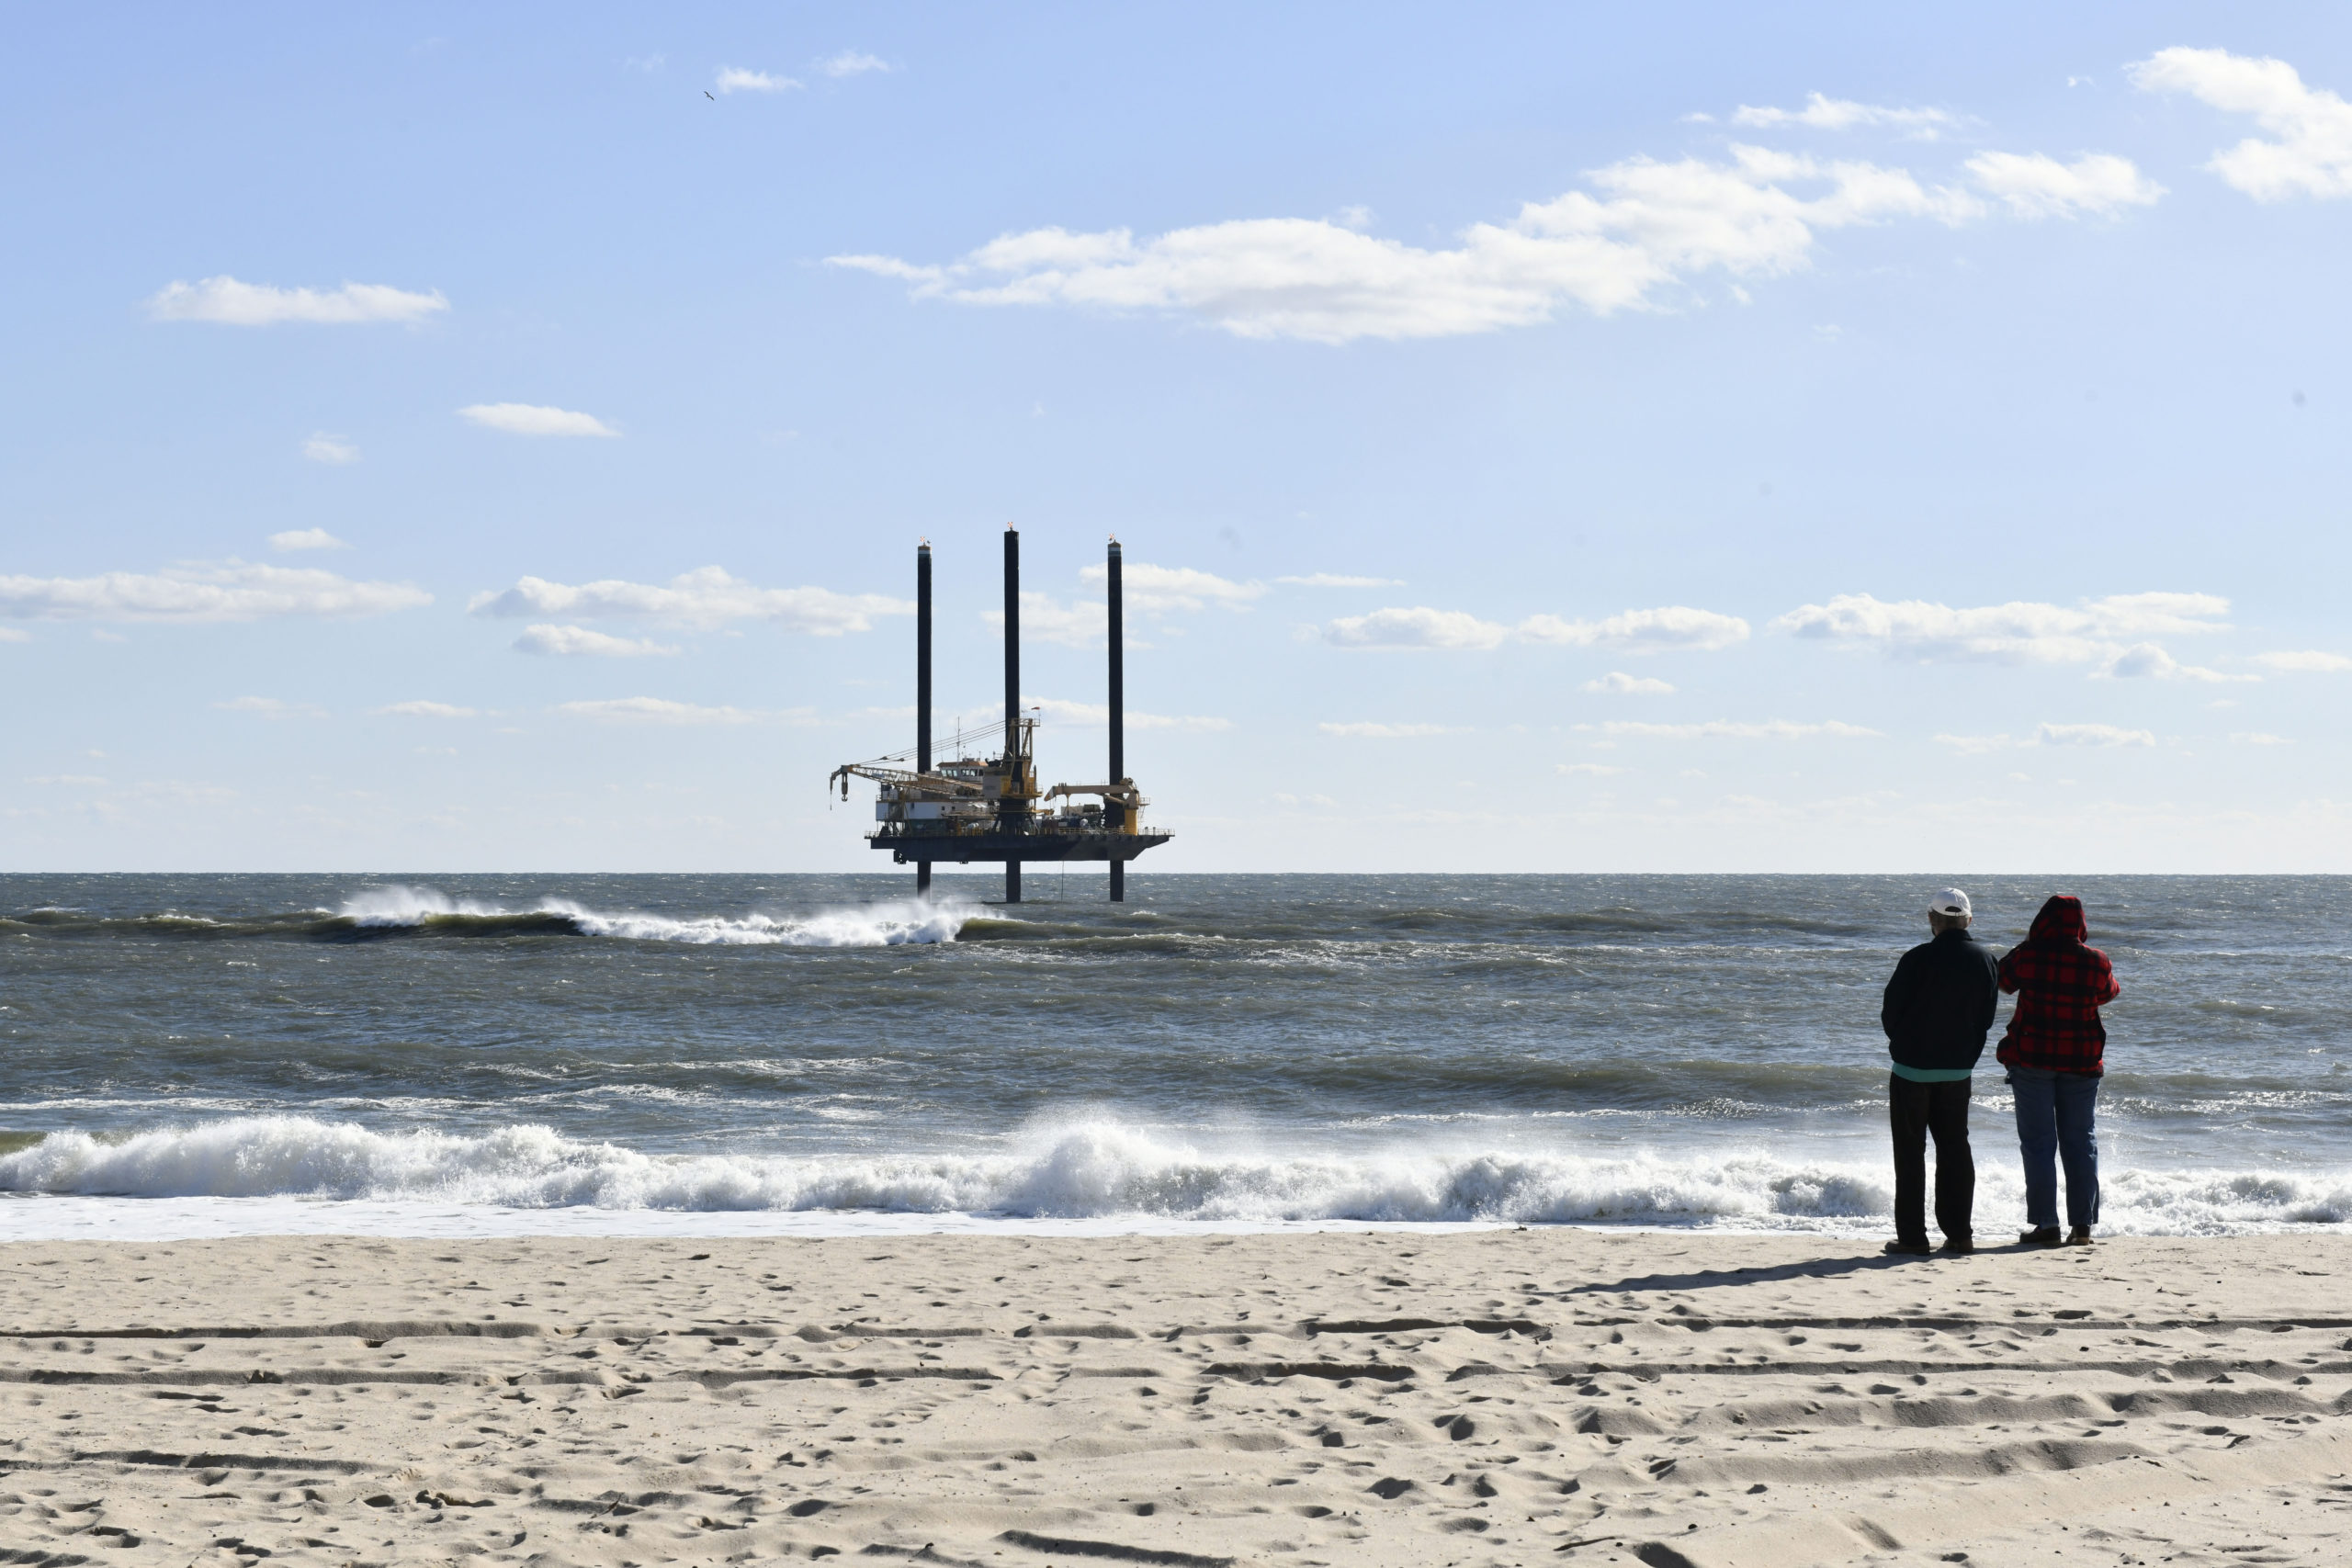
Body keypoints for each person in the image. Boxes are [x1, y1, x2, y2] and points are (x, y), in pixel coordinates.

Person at [1879, 887, 1999, 1257]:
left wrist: (1907, 1043)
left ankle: (1913, 1238)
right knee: (1955, 1149)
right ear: (1969, 920)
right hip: (1957, 1071)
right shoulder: (1986, 960)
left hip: (1912, 1070)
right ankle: (1960, 1234)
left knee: (1910, 1154)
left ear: (1932, 920)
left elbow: (1890, 1015)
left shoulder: (1916, 959)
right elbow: (1987, 1018)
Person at [1996, 894, 2119, 1247]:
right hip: (2081, 1061)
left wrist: (2029, 943)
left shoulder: (2028, 955)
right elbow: (2109, 993)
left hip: (2033, 1059)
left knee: (2038, 1144)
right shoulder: (2097, 961)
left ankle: (2046, 1225)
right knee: (2081, 1141)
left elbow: (2003, 981)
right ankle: (2082, 1226)